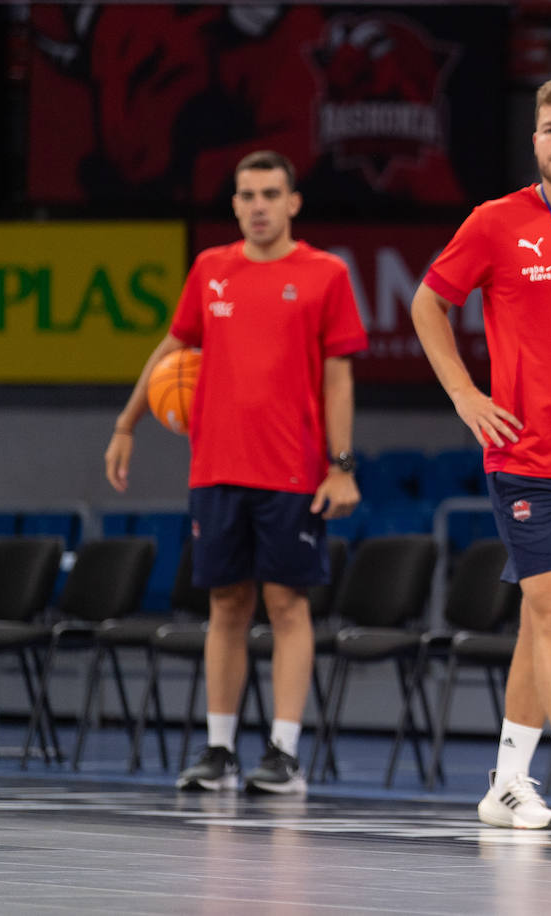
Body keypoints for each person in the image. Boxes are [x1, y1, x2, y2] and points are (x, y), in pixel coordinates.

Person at [104, 150, 367, 794]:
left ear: (292, 202)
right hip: (216, 469)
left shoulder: (325, 274)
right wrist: (125, 423)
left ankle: (283, 752)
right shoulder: (210, 269)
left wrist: (341, 467)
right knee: (224, 604)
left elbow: (339, 378)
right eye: (247, 195)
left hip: (292, 471)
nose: (258, 206)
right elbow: (173, 350)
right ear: (235, 205)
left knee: (285, 604)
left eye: (270, 194)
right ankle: (219, 749)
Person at [409, 77, 551, 832]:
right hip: (526, 455)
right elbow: (429, 302)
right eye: (550, 127)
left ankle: (508, 782)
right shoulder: (496, 222)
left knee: (541, 618)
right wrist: (464, 394)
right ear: (535, 141)